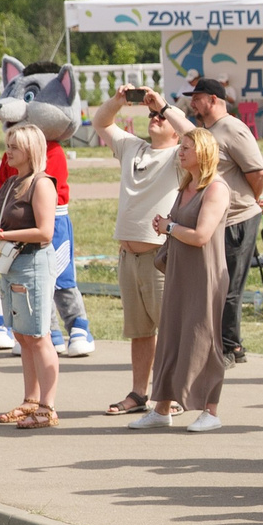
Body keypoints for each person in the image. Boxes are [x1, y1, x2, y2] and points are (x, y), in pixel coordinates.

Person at [158, 78, 263, 364]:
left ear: (214, 99)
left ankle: (231, 348)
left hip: (238, 218)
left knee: (228, 285)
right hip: (219, 219)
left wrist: (247, 202)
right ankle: (220, 345)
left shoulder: (233, 128)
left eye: (198, 97)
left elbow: (257, 172)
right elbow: (186, 130)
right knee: (216, 283)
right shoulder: (207, 131)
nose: (192, 102)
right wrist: (161, 107)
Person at [90, 86, 181, 418]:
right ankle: (139, 393)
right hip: (128, 257)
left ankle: (172, 394)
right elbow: (100, 122)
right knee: (140, 332)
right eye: (151, 114)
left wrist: (165, 104)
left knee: (169, 330)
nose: (154, 118)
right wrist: (118, 101)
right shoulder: (132, 147)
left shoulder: (180, 156)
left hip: (159, 256)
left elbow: (197, 137)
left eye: (161, 117)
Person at [139, 127, 234, 434]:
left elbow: (201, 236)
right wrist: (165, 226)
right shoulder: (186, 187)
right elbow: (177, 226)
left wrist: (168, 227)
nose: (180, 152)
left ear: (204, 153)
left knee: (202, 338)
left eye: (186, 148)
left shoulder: (216, 189)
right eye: (180, 147)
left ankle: (210, 410)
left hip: (205, 274)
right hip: (180, 270)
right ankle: (162, 408)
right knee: (171, 336)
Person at [0, 122, 62, 427]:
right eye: (8, 145)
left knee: (39, 336)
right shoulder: (11, 183)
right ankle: (30, 401)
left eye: (14, 146)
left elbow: (45, 231)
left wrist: (2, 235)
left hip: (32, 263)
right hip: (11, 264)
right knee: (22, 335)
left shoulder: (41, 183)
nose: (8, 151)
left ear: (30, 149)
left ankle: (47, 407)